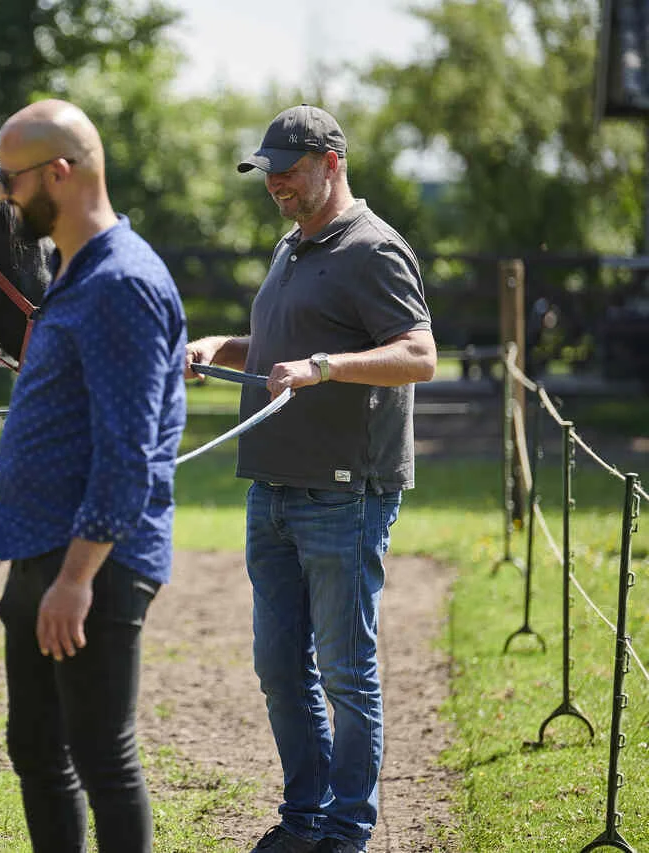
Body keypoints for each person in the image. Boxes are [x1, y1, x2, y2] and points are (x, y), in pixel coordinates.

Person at [186, 104, 437, 853]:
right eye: (268, 173)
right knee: (279, 668)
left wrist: (326, 368)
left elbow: (419, 354)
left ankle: (347, 830)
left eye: (288, 171)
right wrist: (217, 347)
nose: (276, 184)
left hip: (344, 493)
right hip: (271, 488)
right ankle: (305, 820)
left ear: (332, 163)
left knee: (345, 673)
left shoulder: (373, 249)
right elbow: (278, 347)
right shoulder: (291, 246)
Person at [0, 99, 186, 853]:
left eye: (11, 179)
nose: (2, 196)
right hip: (41, 542)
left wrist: (77, 578)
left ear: (61, 171)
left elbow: (128, 452)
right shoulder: (73, 269)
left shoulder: (122, 282)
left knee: (100, 756)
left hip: (94, 563)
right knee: (36, 746)